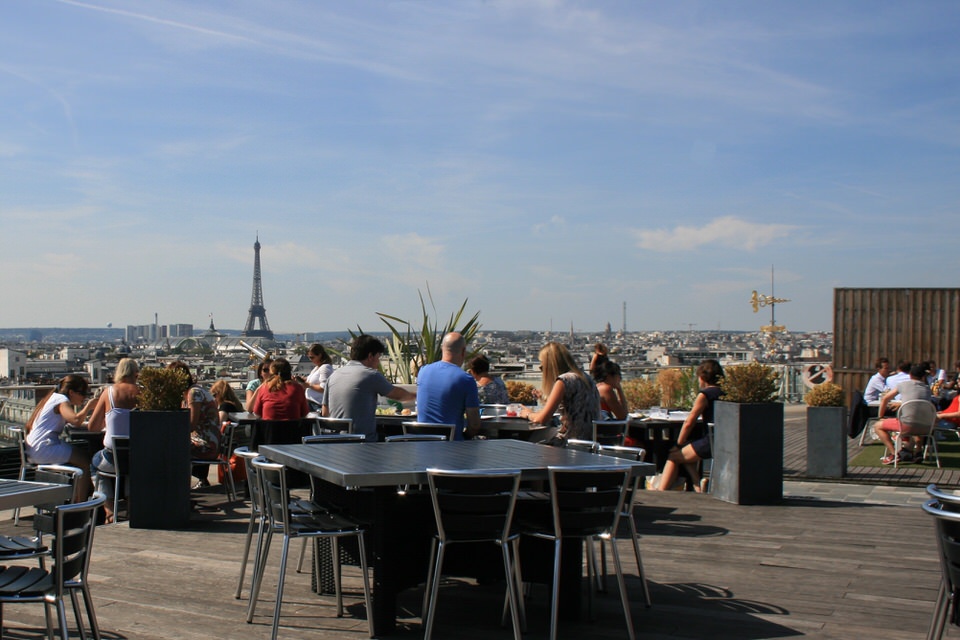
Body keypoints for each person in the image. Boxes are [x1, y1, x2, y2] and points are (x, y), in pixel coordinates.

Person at [322, 334, 417, 442]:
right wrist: (416, 395)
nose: (378, 362)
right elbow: (398, 395)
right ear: (370, 356)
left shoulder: (334, 375)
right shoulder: (370, 375)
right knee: (399, 437)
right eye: (378, 357)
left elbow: (325, 412)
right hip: (362, 442)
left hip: (336, 443)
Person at [23, 374, 96, 502]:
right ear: (71, 392)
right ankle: (80, 504)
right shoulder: (61, 401)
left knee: (82, 457)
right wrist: (89, 407)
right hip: (44, 448)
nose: (84, 397)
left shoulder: (53, 397)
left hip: (34, 448)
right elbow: (76, 420)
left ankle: (79, 499)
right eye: (82, 393)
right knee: (85, 460)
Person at [657, 359, 724, 493]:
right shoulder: (725, 392)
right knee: (687, 453)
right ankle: (698, 486)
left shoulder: (704, 395)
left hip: (710, 442)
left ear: (702, 378)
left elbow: (689, 422)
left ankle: (660, 492)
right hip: (724, 440)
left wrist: (678, 443)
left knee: (674, 456)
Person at [88, 357, 139, 523]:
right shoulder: (143, 393)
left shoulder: (108, 392)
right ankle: (133, 507)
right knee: (131, 471)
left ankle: (109, 510)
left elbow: (92, 427)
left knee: (95, 464)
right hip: (137, 457)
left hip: (112, 457)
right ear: (136, 373)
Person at [519, 342, 600, 442]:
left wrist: (528, 414)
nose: (541, 370)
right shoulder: (585, 378)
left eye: (542, 367)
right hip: (588, 443)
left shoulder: (563, 381)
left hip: (569, 445)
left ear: (550, 366)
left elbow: (542, 419)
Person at [416, 332, 481, 440]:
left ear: (442, 348)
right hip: (452, 448)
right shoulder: (466, 379)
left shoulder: (423, 371)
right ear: (463, 351)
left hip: (423, 445)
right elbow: (474, 425)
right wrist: (465, 437)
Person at [167, 361, 221, 487]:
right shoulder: (191, 392)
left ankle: (178, 488)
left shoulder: (193, 393)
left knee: (169, 450)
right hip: (204, 440)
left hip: (207, 445)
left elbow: (191, 424)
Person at [874, 363, 934, 465]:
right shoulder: (927, 389)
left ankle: (894, 454)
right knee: (917, 420)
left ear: (910, 375)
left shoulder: (903, 385)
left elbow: (885, 399)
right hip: (926, 427)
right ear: (923, 377)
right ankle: (917, 451)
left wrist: (881, 417)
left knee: (877, 426)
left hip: (907, 426)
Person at [299, 344, 334, 412]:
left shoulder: (325, 367)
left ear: (320, 355)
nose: (310, 360)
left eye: (312, 357)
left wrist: (309, 385)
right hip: (311, 403)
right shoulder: (318, 367)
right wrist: (305, 380)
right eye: (309, 357)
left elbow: (324, 388)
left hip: (317, 404)